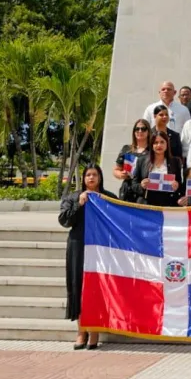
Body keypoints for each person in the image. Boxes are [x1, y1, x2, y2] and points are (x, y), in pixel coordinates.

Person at [59, 164, 115, 351]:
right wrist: (79, 204)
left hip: (101, 249)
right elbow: (64, 220)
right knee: (79, 287)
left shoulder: (109, 198)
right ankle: (81, 331)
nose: (91, 178)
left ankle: (95, 332)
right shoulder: (73, 197)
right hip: (78, 246)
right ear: (83, 178)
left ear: (100, 177)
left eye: (95, 174)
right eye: (88, 175)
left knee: (98, 288)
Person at [134, 130, 183, 206]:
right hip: (146, 205)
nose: (159, 145)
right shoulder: (141, 161)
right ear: (151, 145)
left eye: (162, 142)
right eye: (156, 143)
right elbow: (134, 184)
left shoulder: (175, 162)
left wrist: (177, 186)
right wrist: (141, 186)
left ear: (167, 144)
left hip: (168, 205)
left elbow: (180, 184)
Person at [113, 119, 150, 203]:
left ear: (148, 131)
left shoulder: (152, 151)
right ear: (134, 132)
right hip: (127, 190)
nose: (140, 131)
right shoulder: (127, 149)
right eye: (137, 129)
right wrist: (121, 174)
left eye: (143, 129)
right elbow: (116, 170)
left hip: (143, 192)